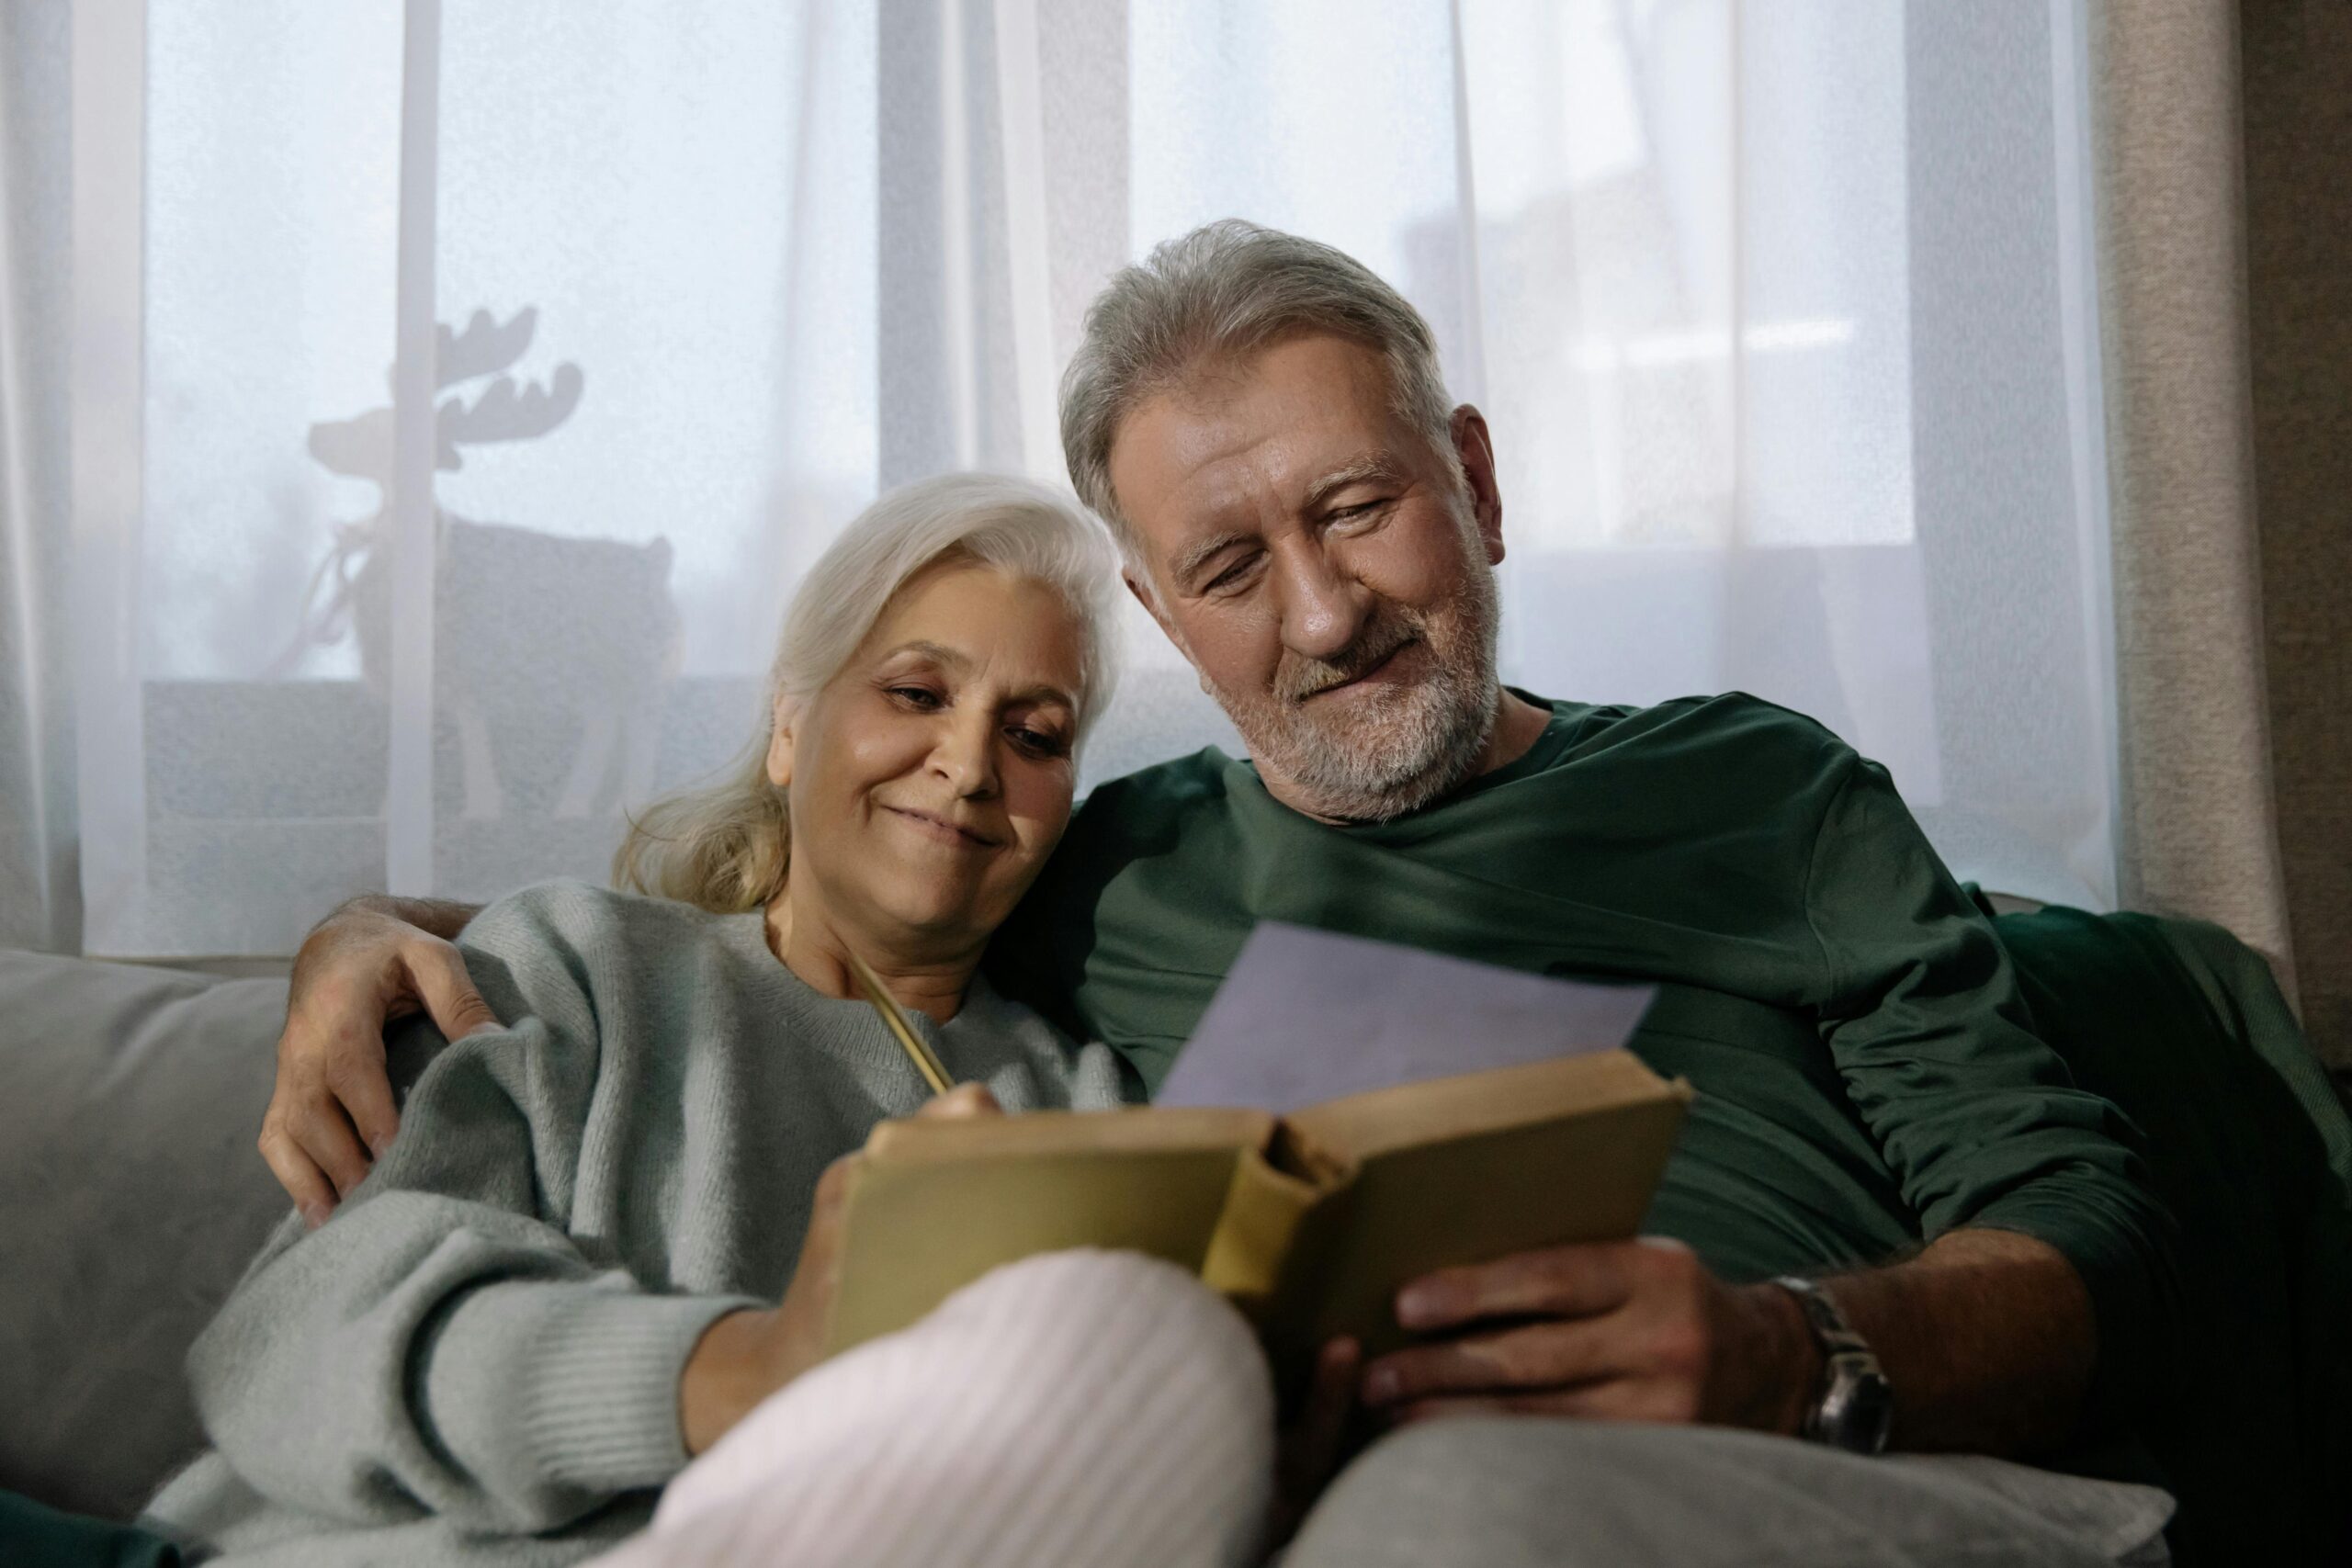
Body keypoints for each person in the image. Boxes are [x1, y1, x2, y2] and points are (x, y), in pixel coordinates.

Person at [260, 223, 2181, 1566]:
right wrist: (379, 932)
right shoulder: (1101, 864)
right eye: (1230, 561)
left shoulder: (1755, 788)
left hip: (1804, 1471)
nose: (1326, 612)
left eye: (1357, 509)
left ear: (1477, 482)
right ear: (1161, 612)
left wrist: (1793, 1352)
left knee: (1438, 1522)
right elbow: (810, 898)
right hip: (1263, 1498)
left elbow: (2080, 1230)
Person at [141, 476, 1282, 1568]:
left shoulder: (1079, 1111)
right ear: (790, 727)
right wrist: (747, 1370)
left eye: (1034, 735)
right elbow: (285, 1349)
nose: (969, 764)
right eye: (917, 694)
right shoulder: (571, 971)